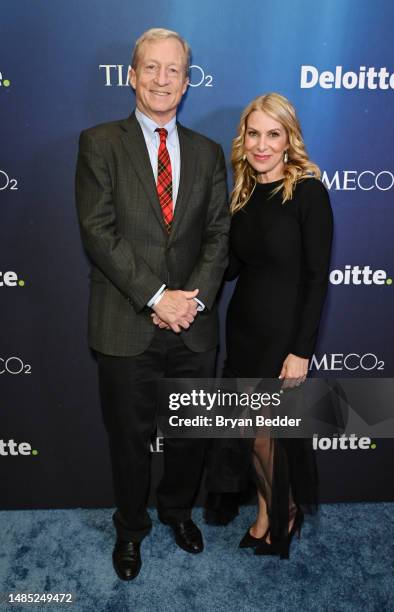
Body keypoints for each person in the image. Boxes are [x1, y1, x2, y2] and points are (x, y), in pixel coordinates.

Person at [75, 28, 229, 580]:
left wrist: (191, 303)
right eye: (152, 68)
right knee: (129, 441)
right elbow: (99, 232)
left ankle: (177, 512)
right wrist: (158, 297)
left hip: (193, 325)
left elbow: (218, 235)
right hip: (125, 322)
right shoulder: (99, 143)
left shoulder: (210, 153)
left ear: (187, 83)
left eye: (174, 71)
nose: (163, 80)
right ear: (133, 74)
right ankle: (131, 529)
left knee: (190, 435)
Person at [208, 93, 333, 557]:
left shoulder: (308, 192)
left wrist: (301, 350)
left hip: (283, 339)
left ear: (288, 140)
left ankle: (283, 511)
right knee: (251, 435)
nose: (262, 144)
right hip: (243, 331)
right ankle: (267, 510)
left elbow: (318, 277)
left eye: (273, 134)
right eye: (254, 133)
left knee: (267, 434)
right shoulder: (242, 195)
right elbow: (231, 267)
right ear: (244, 138)